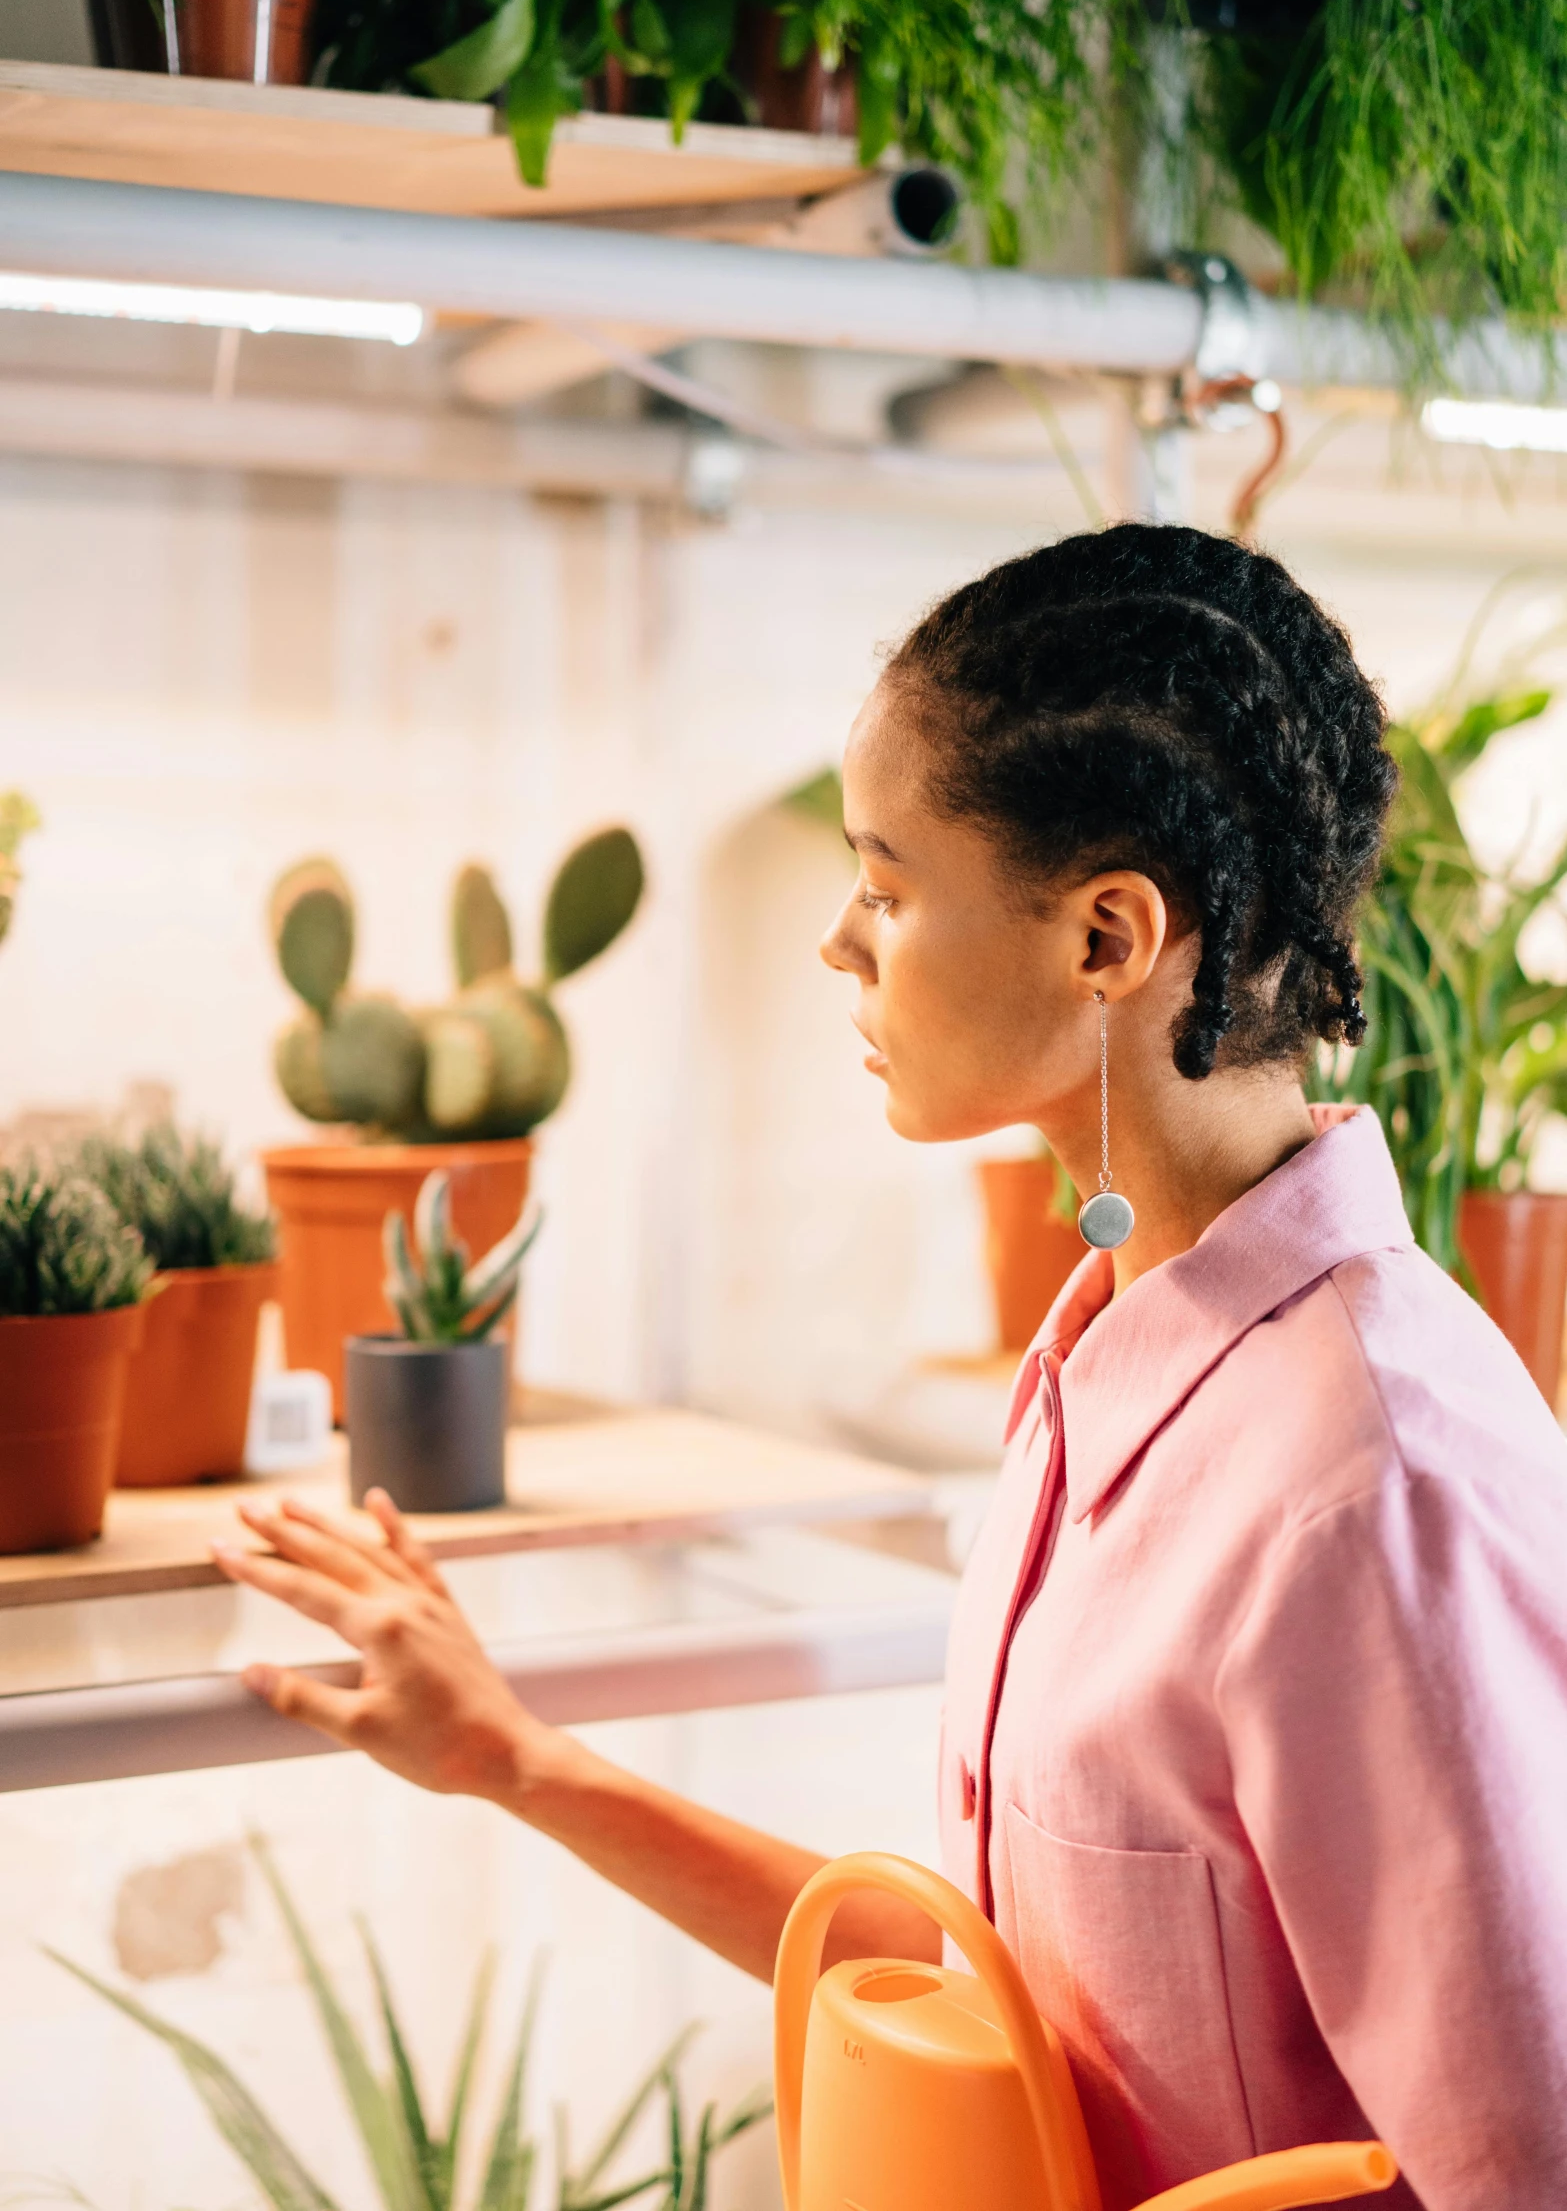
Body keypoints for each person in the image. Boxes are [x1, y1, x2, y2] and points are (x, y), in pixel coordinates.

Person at [214, 526, 1567, 2211]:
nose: (842, 943)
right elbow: (1002, 1999)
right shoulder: (1101, 1359)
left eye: (886, 881)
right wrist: (513, 1755)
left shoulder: (1374, 1482)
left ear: (1105, 938)